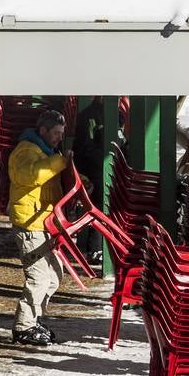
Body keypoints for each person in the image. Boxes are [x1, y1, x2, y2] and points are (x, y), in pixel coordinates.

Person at [7, 109, 72, 346]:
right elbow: (32, 176)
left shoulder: (46, 151)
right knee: (38, 278)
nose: (58, 137)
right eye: (55, 133)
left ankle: (33, 319)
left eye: (61, 134)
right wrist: (60, 161)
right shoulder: (25, 151)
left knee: (54, 276)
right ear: (42, 130)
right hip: (29, 223)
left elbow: (53, 180)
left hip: (43, 222)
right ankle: (23, 327)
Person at [71, 97, 106, 264]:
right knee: (100, 203)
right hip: (92, 171)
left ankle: (92, 247)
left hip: (93, 168)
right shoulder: (90, 117)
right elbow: (86, 149)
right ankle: (95, 249)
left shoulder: (107, 114)